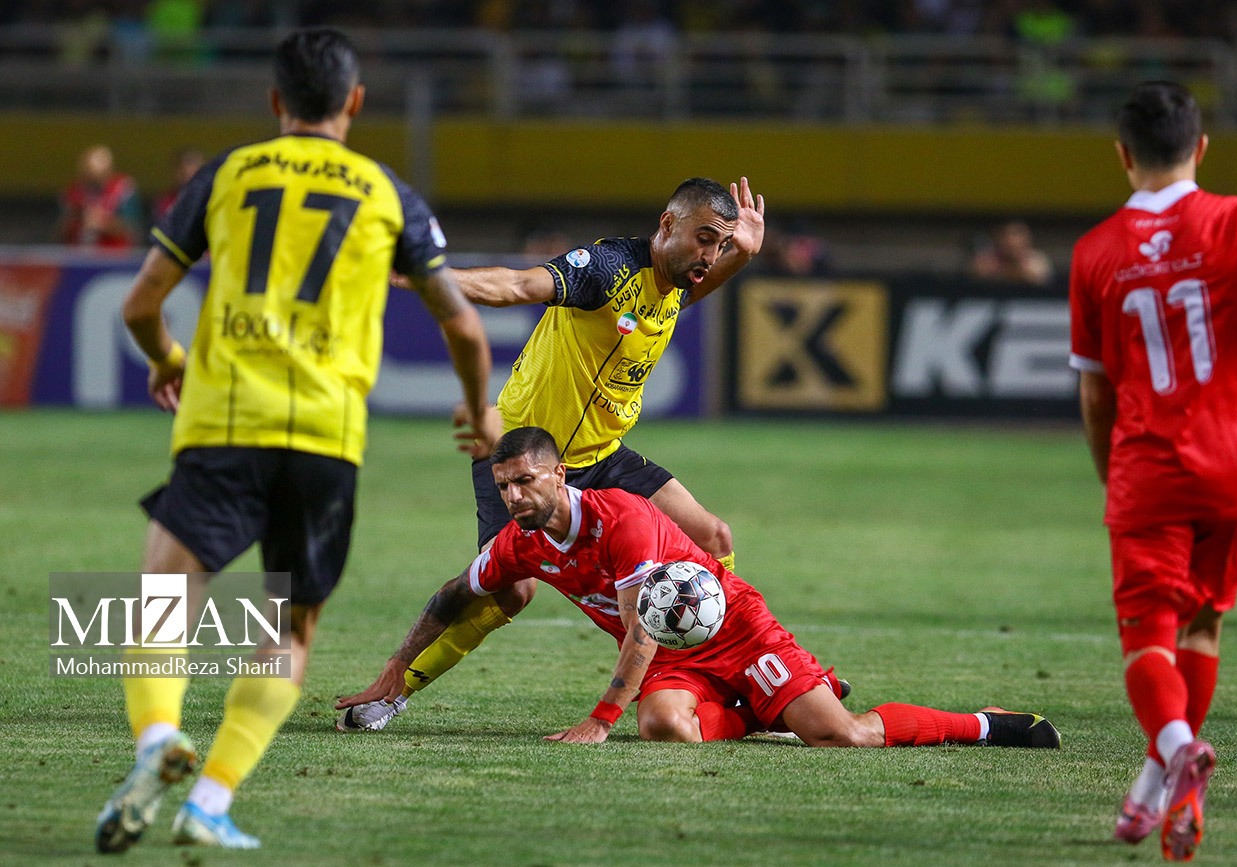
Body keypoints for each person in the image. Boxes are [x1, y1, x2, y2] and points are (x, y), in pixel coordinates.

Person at [94, 28, 497, 852]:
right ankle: (210, 801)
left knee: (164, 592)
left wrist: (168, 359)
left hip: (223, 420)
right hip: (325, 436)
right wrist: (478, 409)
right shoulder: (387, 193)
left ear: (276, 100)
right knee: (288, 627)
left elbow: (139, 305)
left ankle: (156, 738)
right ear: (355, 101)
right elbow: (461, 323)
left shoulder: (230, 173)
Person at [335, 175, 765, 733]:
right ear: (667, 224)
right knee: (512, 589)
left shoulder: (674, 281)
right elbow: (516, 284)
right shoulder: (608, 269)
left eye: (720, 244)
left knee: (713, 536)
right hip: (523, 454)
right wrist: (425, 277)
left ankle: (739, 670)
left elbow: (690, 289)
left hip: (601, 454)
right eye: (704, 238)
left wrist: (742, 255)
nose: (710, 254)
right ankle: (393, 694)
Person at [337, 426, 1062, 751]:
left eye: (525, 481)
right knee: (665, 729)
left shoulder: (622, 519)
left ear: (559, 473)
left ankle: (986, 723)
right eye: (503, 486)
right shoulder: (517, 542)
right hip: (674, 657)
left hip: (737, 629)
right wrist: (396, 670)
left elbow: (640, 626)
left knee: (840, 735)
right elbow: (451, 597)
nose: (513, 496)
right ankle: (760, 711)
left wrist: (601, 717)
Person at [1069, 81, 1237, 861]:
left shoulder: (1097, 251)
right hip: (1236, 466)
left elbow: (1095, 392)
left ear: (1122, 155)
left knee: (1147, 638)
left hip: (1150, 466)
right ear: (1201, 147)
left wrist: (1112, 476)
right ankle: (1159, 785)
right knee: (1203, 622)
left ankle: (1176, 748)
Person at [56, 144, 146, 249]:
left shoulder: (123, 189)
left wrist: (103, 223)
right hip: (77, 254)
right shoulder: (73, 192)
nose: (92, 173)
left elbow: (134, 231)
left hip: (115, 254)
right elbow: (60, 232)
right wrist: (79, 217)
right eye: (88, 168)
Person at [967, 219, 1054, 286]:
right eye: (1006, 235)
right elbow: (975, 274)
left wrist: (1007, 271)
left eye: (1017, 234)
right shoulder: (986, 259)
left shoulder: (1038, 260)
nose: (1011, 241)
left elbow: (1037, 278)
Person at [152, 146, 205, 222]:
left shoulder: (211, 200)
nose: (190, 179)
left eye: (195, 173)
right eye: (183, 173)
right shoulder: (165, 202)